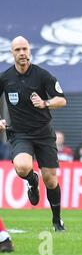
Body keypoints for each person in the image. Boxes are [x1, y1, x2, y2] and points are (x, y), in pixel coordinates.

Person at [0, 36, 67, 232]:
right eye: (18, 50)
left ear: (29, 51)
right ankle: (31, 180)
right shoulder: (5, 78)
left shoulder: (43, 75)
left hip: (44, 134)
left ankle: (57, 221)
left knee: (51, 180)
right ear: (12, 53)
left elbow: (62, 100)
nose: (22, 53)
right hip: (20, 133)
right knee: (22, 167)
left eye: (25, 49)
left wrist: (45, 103)